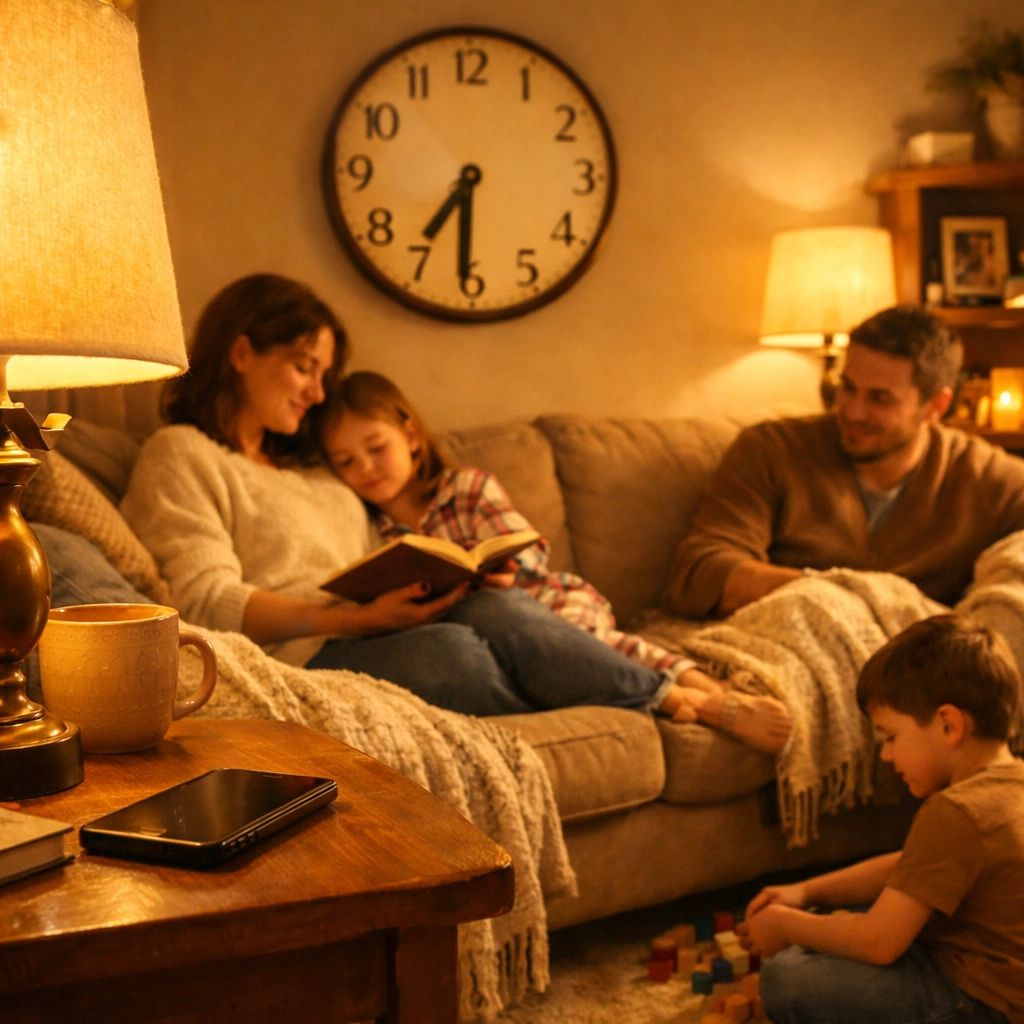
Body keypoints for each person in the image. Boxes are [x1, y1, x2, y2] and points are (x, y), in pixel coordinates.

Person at [122, 274, 713, 720]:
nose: (317, 391)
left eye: (324, 374)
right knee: (458, 655)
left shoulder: (318, 468)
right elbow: (207, 600)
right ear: (242, 352)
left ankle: (646, 696)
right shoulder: (181, 454)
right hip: (304, 651)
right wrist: (349, 621)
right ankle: (627, 698)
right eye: (305, 368)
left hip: (382, 626)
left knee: (495, 610)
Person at [316, 371, 793, 752]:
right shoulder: (372, 532)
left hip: (533, 603)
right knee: (545, 657)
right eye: (346, 462)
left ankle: (706, 695)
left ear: (412, 436)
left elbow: (523, 550)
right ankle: (688, 696)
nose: (367, 469)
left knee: (597, 644)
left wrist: (500, 568)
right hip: (470, 634)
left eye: (376, 449)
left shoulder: (466, 487)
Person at [738, 614, 1023, 1024]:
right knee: (853, 907)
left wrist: (787, 925)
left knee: (788, 978)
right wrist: (807, 891)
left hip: (982, 1001)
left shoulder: (956, 810)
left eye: (890, 737)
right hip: (998, 977)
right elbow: (908, 867)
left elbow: (878, 944)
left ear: (948, 724)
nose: (886, 755)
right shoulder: (1010, 783)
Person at [665, 305, 1024, 620]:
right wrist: (836, 593)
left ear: (936, 406)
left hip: (911, 675)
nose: (852, 411)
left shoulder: (985, 477)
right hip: (783, 635)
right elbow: (702, 571)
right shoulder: (771, 449)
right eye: (848, 387)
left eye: (880, 399)